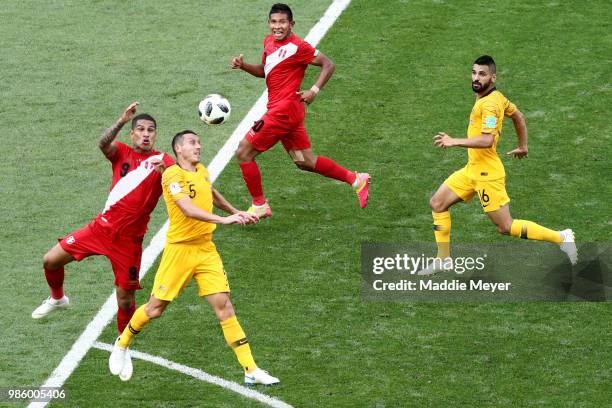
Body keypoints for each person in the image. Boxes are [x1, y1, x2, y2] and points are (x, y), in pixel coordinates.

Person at [109, 130, 279, 385]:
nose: (198, 146)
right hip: (179, 250)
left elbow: (209, 192)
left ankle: (250, 370)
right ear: (178, 149)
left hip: (205, 249)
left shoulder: (202, 170)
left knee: (225, 307)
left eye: (198, 142)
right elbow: (187, 209)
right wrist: (224, 219)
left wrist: (236, 211)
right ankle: (121, 344)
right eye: (192, 143)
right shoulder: (171, 175)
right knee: (155, 309)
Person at [421, 55, 577, 274]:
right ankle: (443, 259)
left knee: (505, 226)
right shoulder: (496, 97)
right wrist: (523, 145)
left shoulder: (491, 104)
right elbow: (518, 116)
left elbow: (487, 140)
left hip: (487, 174)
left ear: (493, 77)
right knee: (438, 203)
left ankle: (562, 238)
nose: (476, 78)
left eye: (482, 74)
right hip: (472, 170)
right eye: (474, 72)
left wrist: (454, 141)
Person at [32, 102, 175, 336]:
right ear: (132, 134)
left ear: (156, 135)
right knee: (50, 260)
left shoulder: (163, 161)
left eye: (151, 130)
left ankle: (123, 344)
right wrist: (121, 120)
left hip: (128, 241)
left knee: (126, 299)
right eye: (140, 129)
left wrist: (169, 174)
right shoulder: (121, 151)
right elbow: (102, 144)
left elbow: (182, 181)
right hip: (100, 230)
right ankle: (58, 299)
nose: (146, 134)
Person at [230, 3, 370, 218]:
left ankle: (259, 204)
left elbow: (328, 64)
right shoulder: (268, 42)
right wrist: (244, 66)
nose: (278, 26)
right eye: (274, 22)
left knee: (243, 152)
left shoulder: (298, 47)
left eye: (283, 22)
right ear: (269, 23)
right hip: (289, 113)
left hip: (282, 112)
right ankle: (356, 179)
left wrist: (314, 90)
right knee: (305, 161)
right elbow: (265, 72)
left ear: (291, 24)